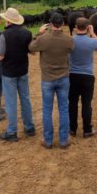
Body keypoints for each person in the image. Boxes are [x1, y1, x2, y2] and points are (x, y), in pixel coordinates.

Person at [0, 7, 35, 142]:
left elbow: (0, 57)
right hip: (23, 70)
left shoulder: (4, 35)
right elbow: (31, 50)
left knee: (11, 102)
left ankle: (12, 132)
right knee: (25, 98)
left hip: (9, 73)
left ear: (8, 20)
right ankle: (29, 127)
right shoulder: (27, 33)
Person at [29, 12, 74, 149]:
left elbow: (31, 47)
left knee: (47, 110)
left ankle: (48, 140)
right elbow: (72, 49)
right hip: (63, 77)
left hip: (47, 78)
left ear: (50, 23)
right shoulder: (68, 39)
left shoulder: (43, 38)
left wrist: (39, 33)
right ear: (63, 24)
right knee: (64, 109)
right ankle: (63, 140)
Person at [68, 17, 97, 138]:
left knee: (72, 103)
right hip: (87, 76)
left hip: (72, 75)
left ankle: (72, 129)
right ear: (88, 27)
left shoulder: (70, 40)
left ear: (76, 27)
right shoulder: (92, 41)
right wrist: (92, 33)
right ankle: (87, 129)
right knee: (86, 104)